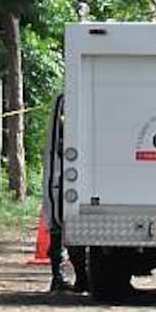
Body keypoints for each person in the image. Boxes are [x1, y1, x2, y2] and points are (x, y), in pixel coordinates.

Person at [42, 95, 88, 293]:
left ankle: (77, 278)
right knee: (62, 229)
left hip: (64, 180)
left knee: (65, 230)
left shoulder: (67, 103)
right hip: (61, 180)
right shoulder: (66, 101)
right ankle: (62, 276)